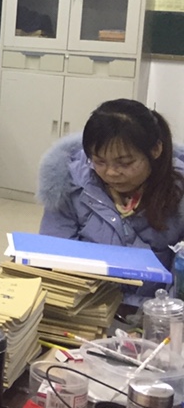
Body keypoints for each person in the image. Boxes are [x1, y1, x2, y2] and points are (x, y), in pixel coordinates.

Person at [38, 99, 184, 278]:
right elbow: (54, 252)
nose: (111, 173)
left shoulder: (178, 190)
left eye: (125, 163)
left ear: (155, 150)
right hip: (86, 291)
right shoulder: (69, 182)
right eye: (99, 161)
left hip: (157, 295)